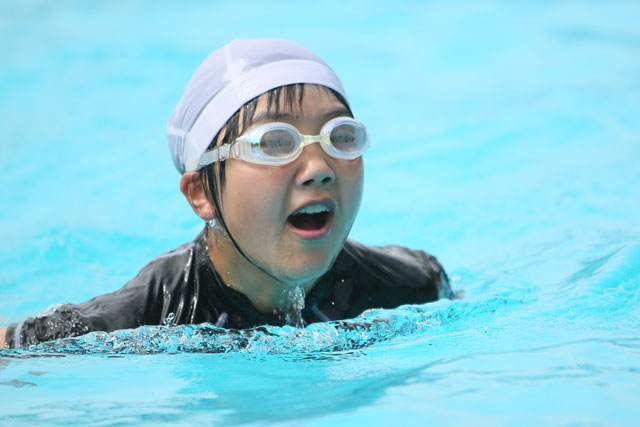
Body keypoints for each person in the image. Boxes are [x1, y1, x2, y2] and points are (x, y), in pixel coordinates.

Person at [0, 39, 453, 350]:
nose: (319, 170)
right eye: (275, 143)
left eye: (340, 137)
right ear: (201, 193)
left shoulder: (413, 286)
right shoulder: (151, 312)